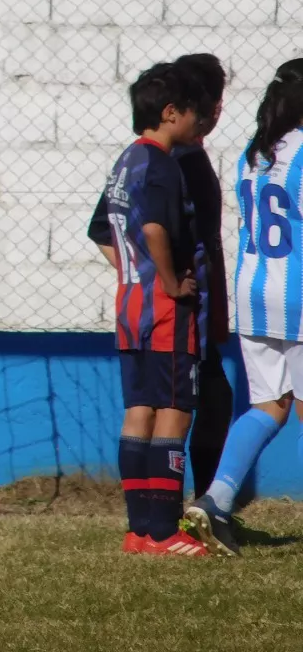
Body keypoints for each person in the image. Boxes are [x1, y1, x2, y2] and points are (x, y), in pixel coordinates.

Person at [87, 62, 208, 557]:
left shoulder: (127, 161)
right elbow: (156, 228)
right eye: (196, 112)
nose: (202, 122)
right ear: (171, 112)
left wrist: (134, 271)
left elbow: (100, 231)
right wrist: (169, 281)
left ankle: (138, 531)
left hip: (130, 306)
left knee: (139, 410)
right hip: (164, 312)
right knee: (174, 412)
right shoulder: (161, 165)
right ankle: (163, 531)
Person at [187, 59, 303, 557]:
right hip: (298, 293)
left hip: (255, 294)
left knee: (269, 405)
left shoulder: (253, 154)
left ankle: (214, 502)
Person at [171, 53, 233, 500]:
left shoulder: (188, 155)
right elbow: (108, 229)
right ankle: (179, 505)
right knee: (185, 405)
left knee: (213, 396)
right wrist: (164, 282)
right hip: (183, 308)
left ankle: (201, 503)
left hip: (202, 305)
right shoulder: (170, 162)